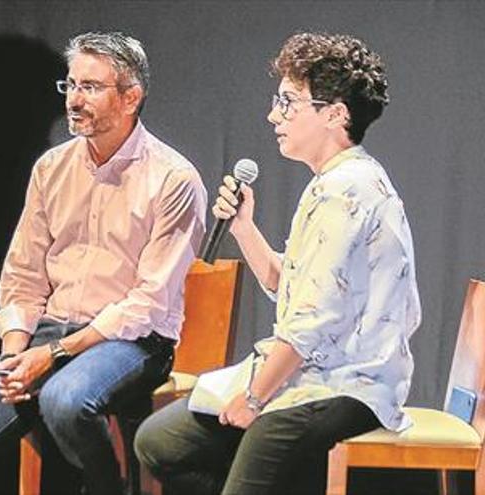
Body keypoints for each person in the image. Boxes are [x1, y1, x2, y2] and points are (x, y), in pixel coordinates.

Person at [134, 32, 420, 495]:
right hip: (311, 373)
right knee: (160, 441)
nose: (274, 115)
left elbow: (311, 322)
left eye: (288, 102)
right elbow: (285, 282)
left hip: (348, 384)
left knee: (262, 433)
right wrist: (244, 225)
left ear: (335, 114)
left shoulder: (348, 190)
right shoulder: (329, 182)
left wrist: (253, 396)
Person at [0, 31, 207, 495]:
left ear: (131, 97)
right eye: (71, 86)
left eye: (90, 87)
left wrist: (53, 355)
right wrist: (15, 351)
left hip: (131, 341)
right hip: (48, 332)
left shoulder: (172, 178)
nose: (75, 100)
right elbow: (23, 273)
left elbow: (148, 302)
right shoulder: (51, 168)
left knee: (65, 398)